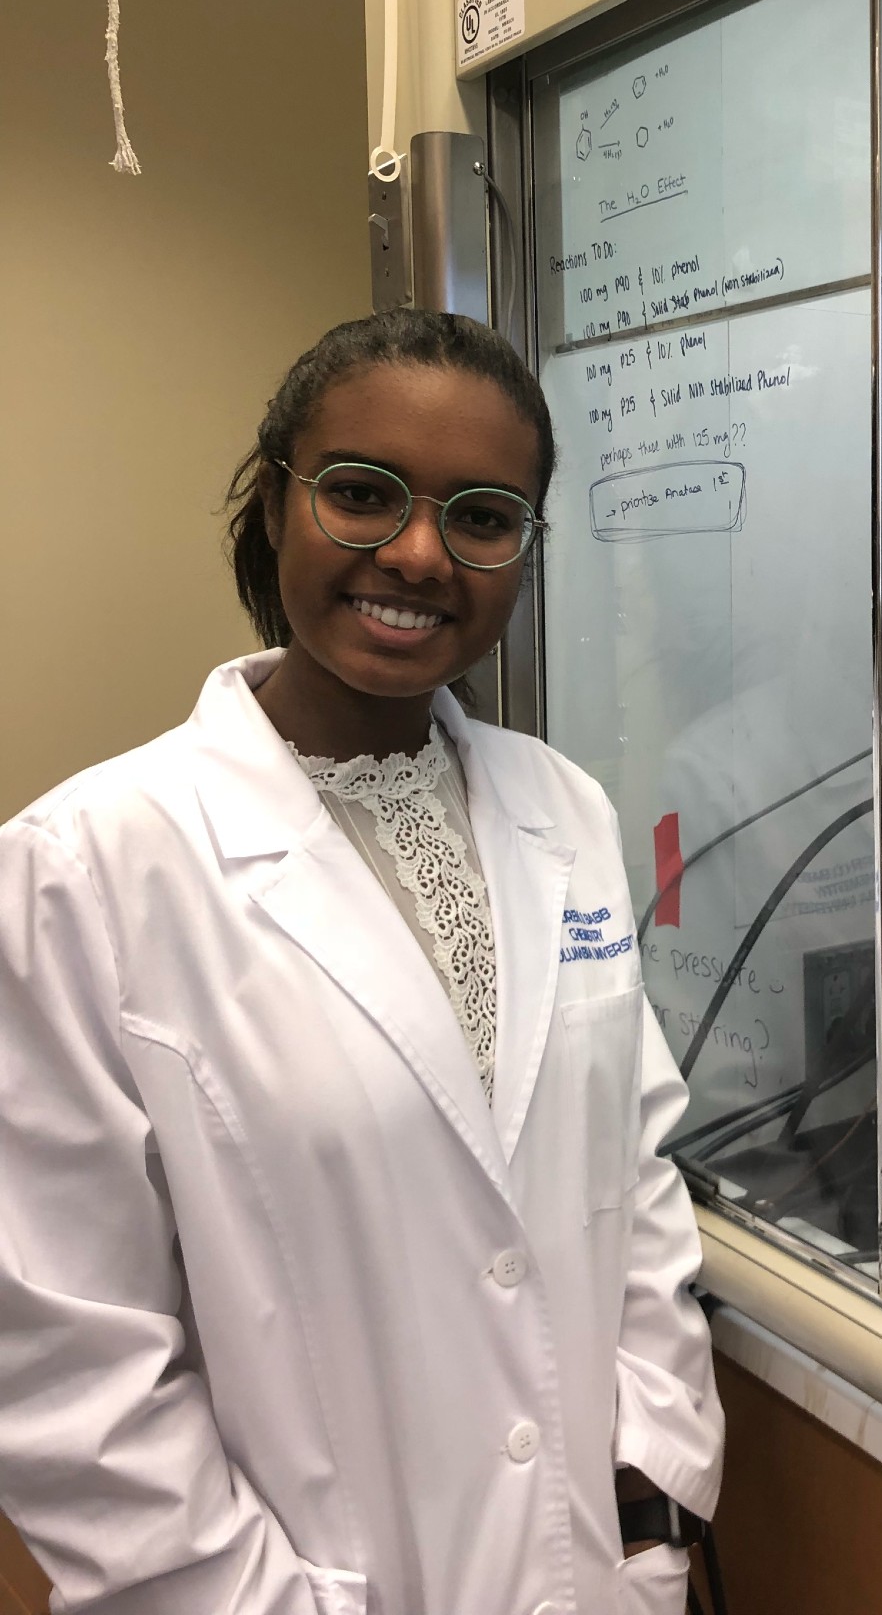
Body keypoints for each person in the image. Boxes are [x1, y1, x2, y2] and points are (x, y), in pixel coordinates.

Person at [0, 309, 723, 1615]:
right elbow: (66, 1357)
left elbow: (635, 1180)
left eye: (484, 517)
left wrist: (650, 1509)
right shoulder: (84, 867)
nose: (418, 553)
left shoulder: (566, 812)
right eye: (362, 494)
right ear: (274, 501)